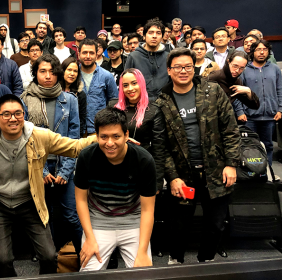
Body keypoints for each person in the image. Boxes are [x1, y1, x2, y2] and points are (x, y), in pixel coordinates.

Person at [0, 94, 97, 277]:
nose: (13, 118)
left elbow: (75, 147)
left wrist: (107, 138)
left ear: (24, 115)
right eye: (6, 114)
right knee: (3, 259)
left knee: (49, 256)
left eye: (17, 113)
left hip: (31, 202)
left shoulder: (39, 136)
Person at [154, 48, 240, 264]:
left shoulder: (213, 92)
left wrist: (231, 164)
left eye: (188, 67)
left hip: (216, 170)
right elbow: (160, 144)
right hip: (183, 174)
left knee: (215, 224)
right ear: (169, 70)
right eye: (178, 67)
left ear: (195, 68)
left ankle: (206, 261)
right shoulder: (162, 101)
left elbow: (230, 130)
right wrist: (172, 176)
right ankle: (176, 260)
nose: (183, 71)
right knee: (179, 224)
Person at [75, 107, 156, 270]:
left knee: (143, 273)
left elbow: (148, 210)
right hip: (98, 220)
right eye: (103, 137)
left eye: (116, 136)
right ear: (96, 136)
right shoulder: (87, 156)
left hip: (132, 219)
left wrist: (142, 252)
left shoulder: (143, 160)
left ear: (126, 135)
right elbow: (81, 200)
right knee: (88, 275)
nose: (109, 143)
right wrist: (89, 238)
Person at [21, 53, 83, 254]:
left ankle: (86, 255)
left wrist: (65, 171)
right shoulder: (25, 100)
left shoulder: (70, 100)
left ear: (59, 74)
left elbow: (74, 137)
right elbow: (25, 138)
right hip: (37, 166)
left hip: (66, 166)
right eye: (42, 71)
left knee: (72, 216)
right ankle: (49, 256)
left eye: (52, 71)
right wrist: (42, 170)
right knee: (44, 215)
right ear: (35, 73)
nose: (48, 76)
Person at [237, 40, 282, 166]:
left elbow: (280, 89)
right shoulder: (245, 70)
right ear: (252, 51)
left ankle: (268, 173)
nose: (261, 52)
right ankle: (254, 173)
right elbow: (238, 93)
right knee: (250, 146)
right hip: (249, 116)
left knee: (268, 145)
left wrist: (280, 109)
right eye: (258, 49)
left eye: (265, 49)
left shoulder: (274, 69)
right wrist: (240, 111)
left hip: (270, 115)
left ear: (268, 51)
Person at [79, 39, 118, 136]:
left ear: (97, 54)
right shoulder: (72, 75)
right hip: (77, 128)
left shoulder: (106, 76)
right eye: (84, 53)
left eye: (91, 53)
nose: (88, 56)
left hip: (99, 128)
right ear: (79, 53)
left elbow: (114, 103)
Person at [125, 19, 169, 101]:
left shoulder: (168, 57)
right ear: (144, 36)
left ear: (162, 36)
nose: (154, 36)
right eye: (150, 32)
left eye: (158, 33)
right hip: (140, 104)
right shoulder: (134, 56)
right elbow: (126, 83)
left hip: (164, 104)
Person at [61, 57, 87, 136]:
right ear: (63, 71)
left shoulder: (80, 94)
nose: (72, 73)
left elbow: (82, 118)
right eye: (69, 70)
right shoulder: (54, 91)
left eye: (75, 71)